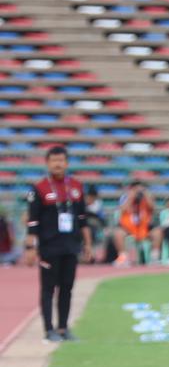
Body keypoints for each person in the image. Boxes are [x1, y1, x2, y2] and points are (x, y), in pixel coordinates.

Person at [24, 146, 91, 342]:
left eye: (61, 160)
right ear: (47, 163)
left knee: (67, 288)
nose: (58, 164)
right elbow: (32, 222)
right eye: (54, 160)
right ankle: (48, 330)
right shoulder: (39, 189)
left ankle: (63, 328)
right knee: (48, 289)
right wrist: (30, 248)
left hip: (70, 246)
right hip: (48, 247)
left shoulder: (77, 187)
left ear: (67, 163)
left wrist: (87, 244)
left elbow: (82, 219)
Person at [113, 180, 158, 265]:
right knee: (118, 233)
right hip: (128, 227)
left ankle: (154, 258)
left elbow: (152, 208)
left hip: (144, 226)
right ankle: (123, 257)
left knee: (158, 232)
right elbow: (122, 210)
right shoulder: (125, 197)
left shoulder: (147, 197)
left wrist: (146, 196)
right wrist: (131, 197)